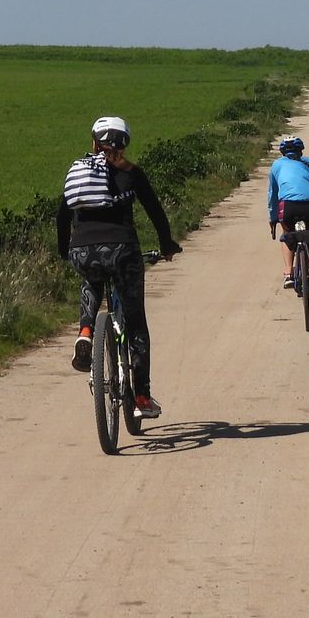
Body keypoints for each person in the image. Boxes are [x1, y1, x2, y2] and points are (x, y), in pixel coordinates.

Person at [57, 115, 182, 420]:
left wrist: (66, 253)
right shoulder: (132, 174)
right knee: (136, 322)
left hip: (83, 249)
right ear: (125, 145)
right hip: (123, 250)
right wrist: (167, 245)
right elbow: (156, 212)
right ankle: (140, 396)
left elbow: (62, 216)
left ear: (94, 142)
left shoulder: (80, 172)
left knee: (91, 278)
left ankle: (86, 330)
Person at [267, 136, 309, 303]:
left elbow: (273, 194)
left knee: (287, 234)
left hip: (288, 207)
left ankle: (289, 273)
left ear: (282, 152)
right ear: (301, 151)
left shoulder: (277, 165)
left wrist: (273, 217)